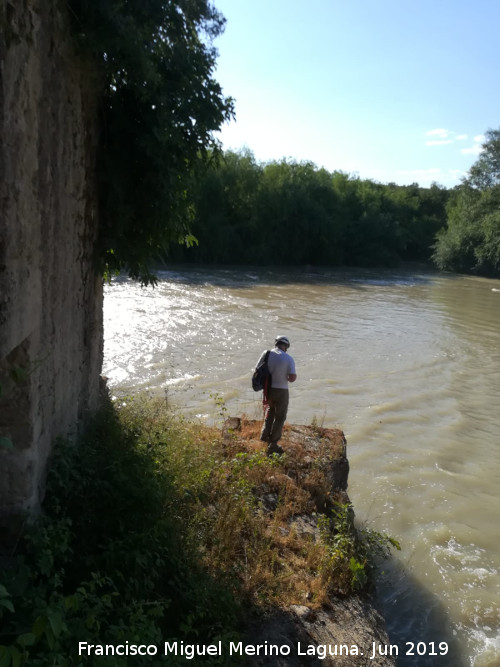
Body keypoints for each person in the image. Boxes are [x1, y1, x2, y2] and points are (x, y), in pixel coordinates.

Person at [256, 335, 297, 455]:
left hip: (268, 389)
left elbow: (257, 369)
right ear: (286, 346)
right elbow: (292, 378)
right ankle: (273, 443)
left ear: (276, 344)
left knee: (270, 410)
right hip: (282, 390)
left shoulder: (267, 353)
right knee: (280, 416)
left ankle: (264, 435)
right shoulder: (289, 358)